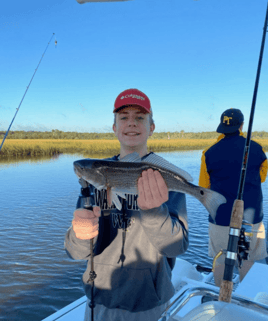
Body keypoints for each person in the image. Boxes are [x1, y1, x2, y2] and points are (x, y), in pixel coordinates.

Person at [65, 88, 189, 321]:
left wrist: (154, 212)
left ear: (151, 127)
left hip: (150, 303)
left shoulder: (164, 178)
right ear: (114, 128)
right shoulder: (94, 178)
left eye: (140, 117)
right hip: (100, 298)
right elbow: (76, 252)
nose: (131, 123)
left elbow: (177, 247)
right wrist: (79, 235)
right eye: (124, 117)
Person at [199, 108, 268, 287]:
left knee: (221, 259)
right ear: (242, 125)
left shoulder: (208, 152)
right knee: (247, 258)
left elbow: (203, 187)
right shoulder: (257, 149)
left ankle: (221, 298)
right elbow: (261, 177)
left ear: (221, 127)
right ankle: (245, 296)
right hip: (250, 218)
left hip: (219, 217)